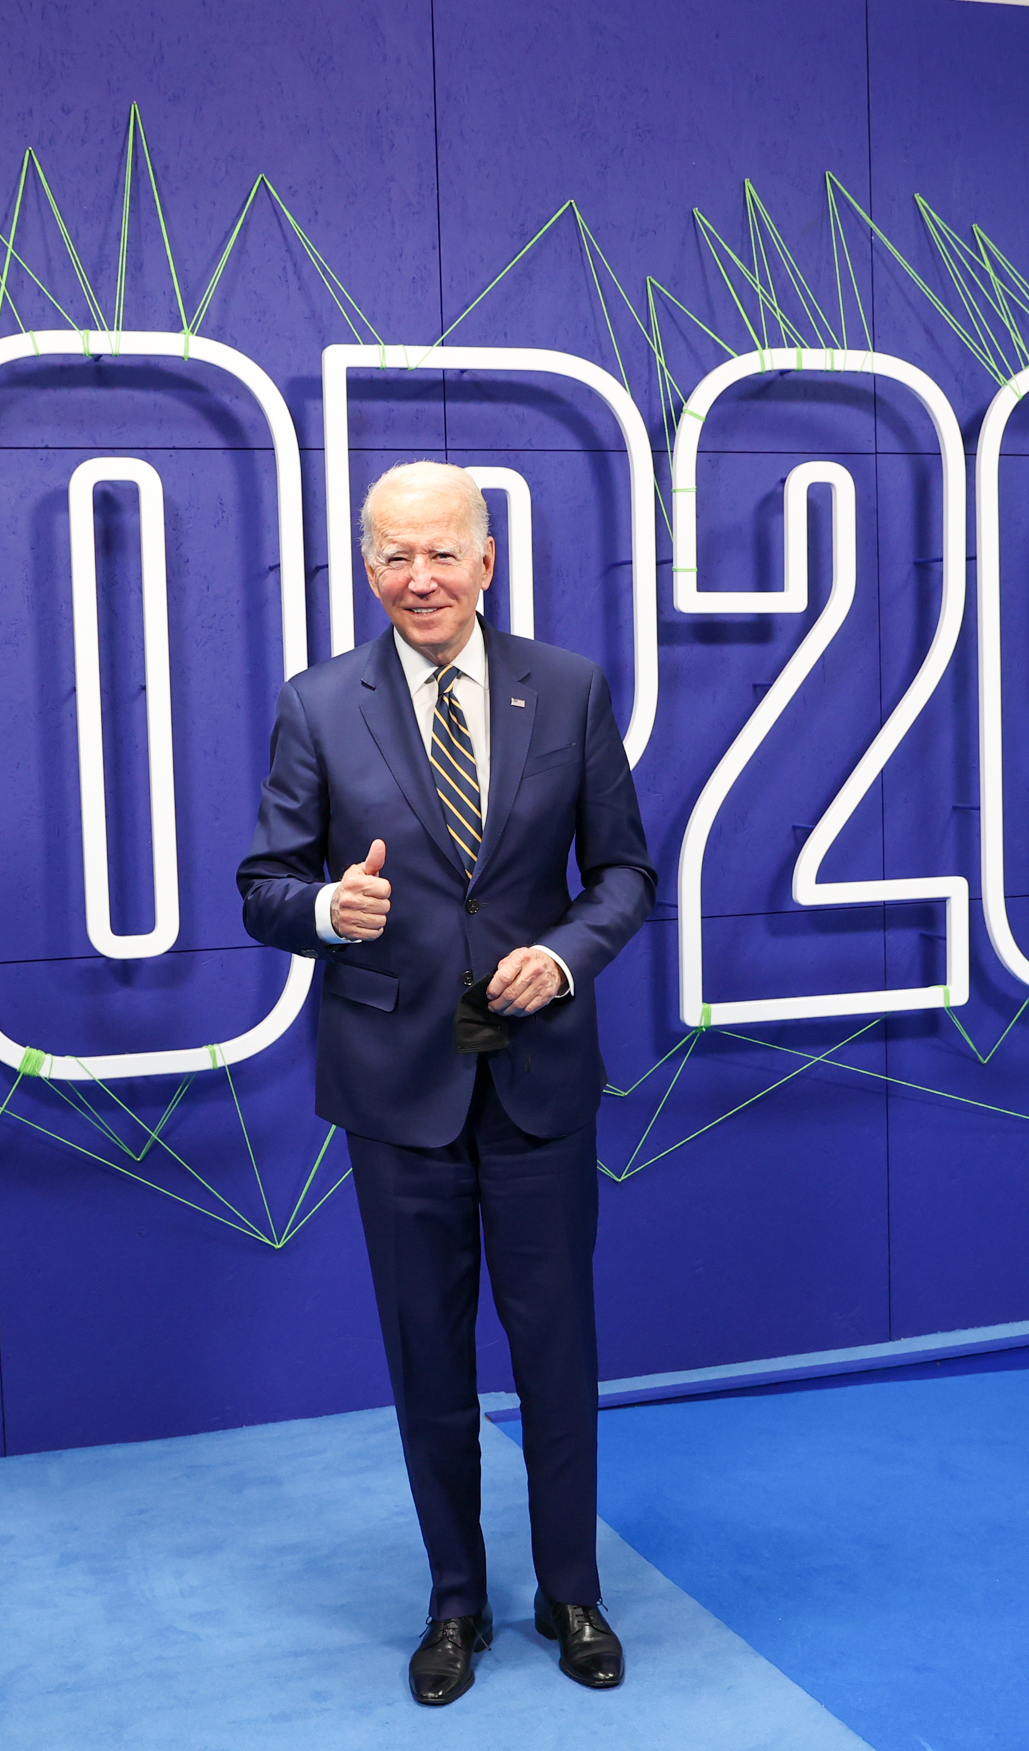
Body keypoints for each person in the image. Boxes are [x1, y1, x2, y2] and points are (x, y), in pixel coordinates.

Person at [239, 461, 656, 1705]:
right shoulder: (318, 704)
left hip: (532, 1070)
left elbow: (624, 873)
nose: (416, 576)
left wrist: (564, 957)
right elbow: (264, 885)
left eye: (439, 552)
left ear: (484, 559)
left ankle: (569, 1588)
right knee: (428, 1357)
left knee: (556, 1351)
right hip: (397, 1083)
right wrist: (327, 905)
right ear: (365, 567)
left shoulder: (568, 688)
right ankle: (455, 1601)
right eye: (390, 555)